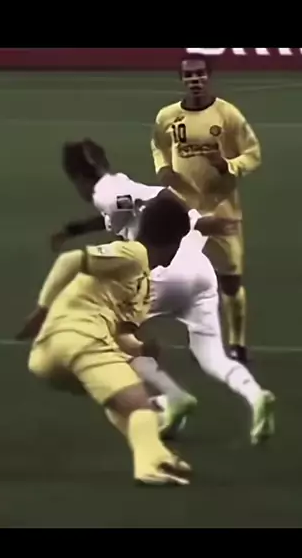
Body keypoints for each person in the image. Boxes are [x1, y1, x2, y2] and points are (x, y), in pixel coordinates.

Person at [51, 140, 275, 446]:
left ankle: (175, 397)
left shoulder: (104, 190)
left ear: (78, 178)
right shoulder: (123, 186)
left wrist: (137, 243)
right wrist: (74, 229)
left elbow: (147, 202)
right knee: (212, 356)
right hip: (199, 271)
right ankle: (256, 395)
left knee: (114, 338)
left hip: (161, 270)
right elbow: (147, 204)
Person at [17, 194, 193, 487]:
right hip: (78, 338)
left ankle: (158, 455)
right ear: (173, 242)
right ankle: (148, 466)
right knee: (138, 403)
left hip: (52, 355)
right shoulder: (133, 253)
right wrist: (42, 310)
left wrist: (141, 348)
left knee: (123, 401)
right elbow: (70, 260)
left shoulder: (143, 285)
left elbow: (121, 336)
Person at [150, 55, 262, 366]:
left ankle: (237, 344)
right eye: (189, 75)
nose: (195, 80)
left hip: (222, 212)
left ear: (209, 76)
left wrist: (227, 165)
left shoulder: (227, 114)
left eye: (200, 74)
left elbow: (253, 154)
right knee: (172, 277)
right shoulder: (167, 116)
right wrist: (163, 168)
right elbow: (158, 145)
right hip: (182, 213)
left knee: (231, 281)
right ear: (182, 79)